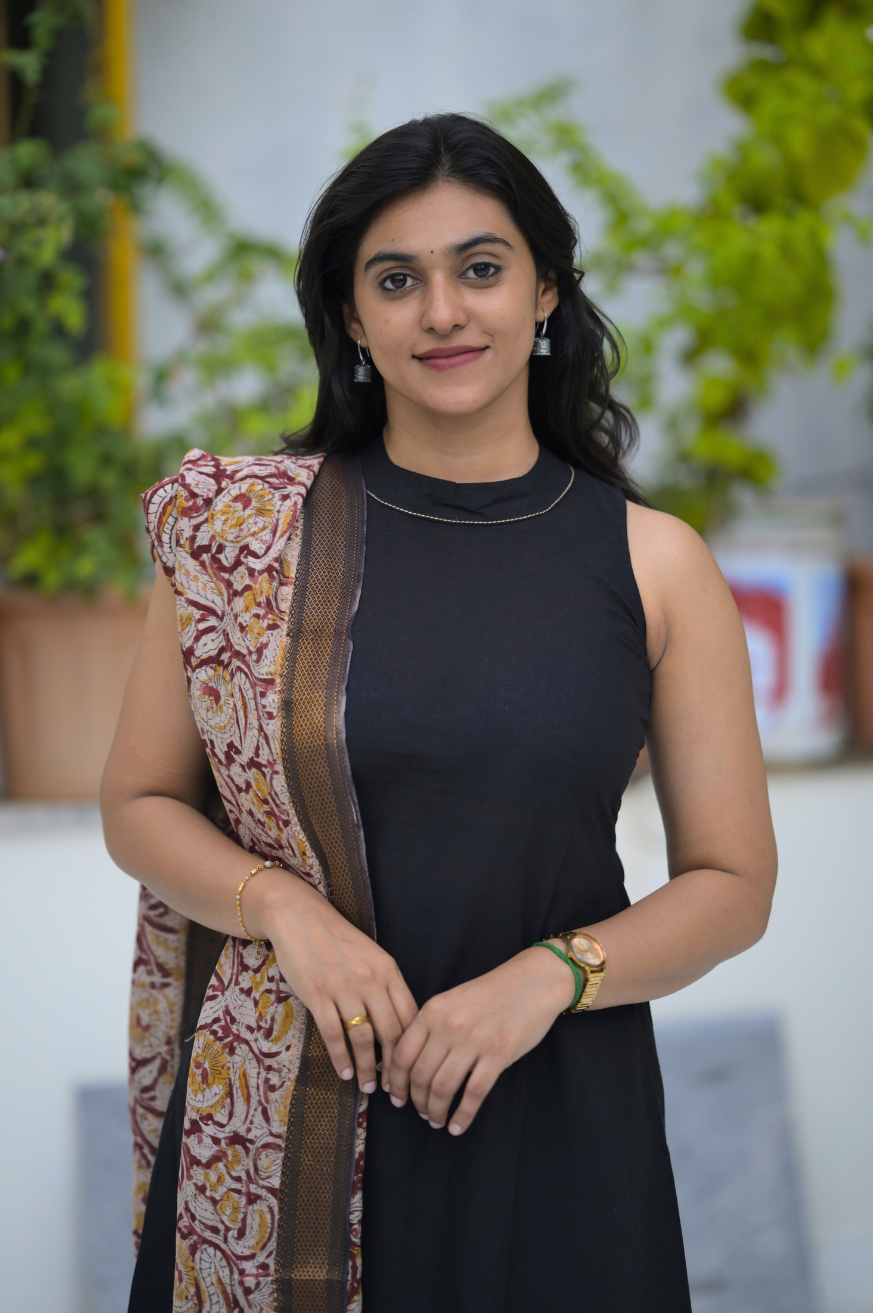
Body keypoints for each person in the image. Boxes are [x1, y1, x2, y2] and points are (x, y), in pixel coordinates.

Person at [102, 113, 777, 1313]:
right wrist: (283, 910)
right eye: (397, 279)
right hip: (289, 1114)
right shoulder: (242, 542)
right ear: (352, 317)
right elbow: (140, 801)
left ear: (546, 291)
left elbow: (733, 882)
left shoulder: (655, 563)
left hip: (559, 1121)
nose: (444, 312)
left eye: (481, 267)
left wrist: (551, 975)